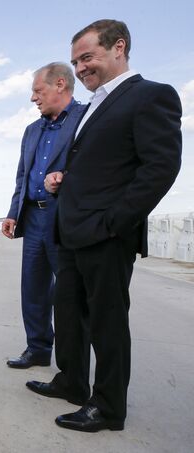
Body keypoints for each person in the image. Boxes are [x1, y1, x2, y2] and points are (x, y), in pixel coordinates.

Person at [26, 19, 182, 432]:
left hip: (106, 234)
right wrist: (64, 180)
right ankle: (72, 381)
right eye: (76, 61)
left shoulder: (150, 96)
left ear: (119, 47)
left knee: (107, 322)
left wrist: (115, 222)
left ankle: (109, 406)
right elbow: (102, 166)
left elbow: (160, 167)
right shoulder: (94, 104)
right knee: (69, 311)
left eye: (88, 57)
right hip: (74, 230)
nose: (80, 68)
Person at [2, 62, 87, 369]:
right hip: (34, 217)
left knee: (68, 291)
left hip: (64, 216)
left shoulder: (85, 117)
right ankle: (37, 348)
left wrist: (65, 175)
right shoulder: (32, 130)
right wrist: (13, 212)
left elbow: (93, 163)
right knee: (33, 287)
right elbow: (22, 176)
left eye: (38, 91)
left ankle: (70, 363)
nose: (33, 98)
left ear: (60, 85)